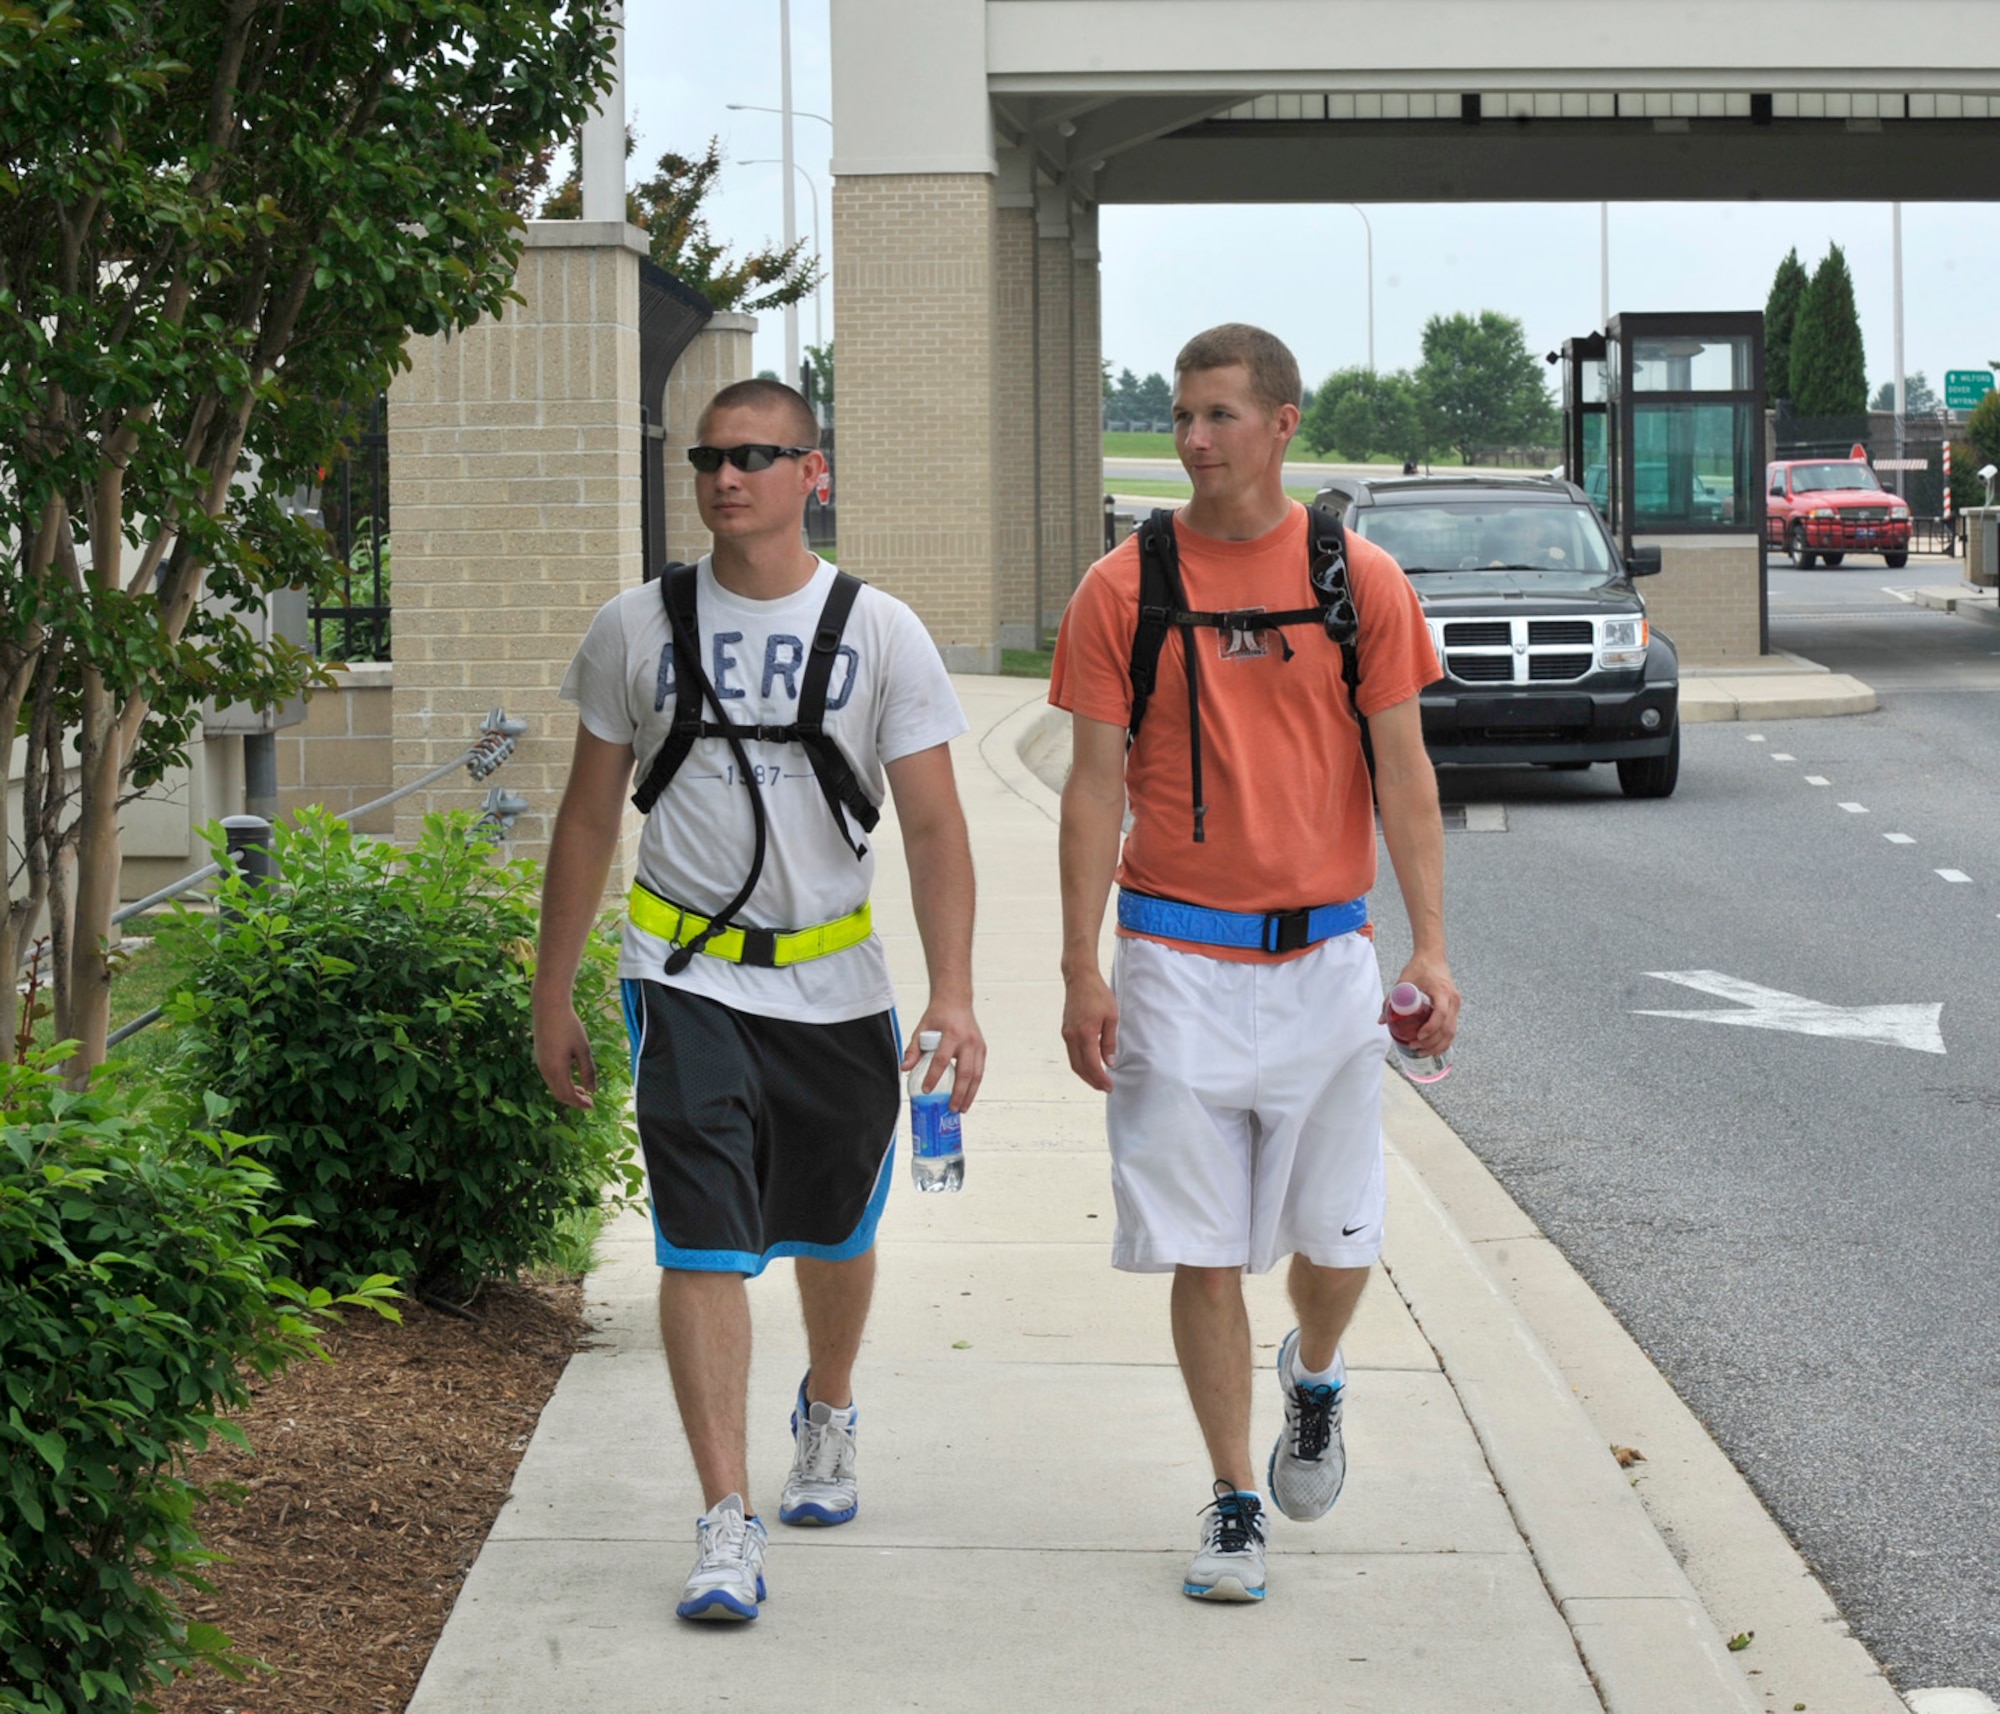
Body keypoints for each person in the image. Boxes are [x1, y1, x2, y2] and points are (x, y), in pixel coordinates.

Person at [533, 377, 986, 1624]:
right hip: (681, 978)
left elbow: (937, 823)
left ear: (811, 472)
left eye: (754, 456)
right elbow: (583, 820)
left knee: (834, 1224)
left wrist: (953, 990)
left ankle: (826, 1407)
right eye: (709, 458)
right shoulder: (634, 627)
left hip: (836, 982)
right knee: (703, 1236)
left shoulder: (880, 630)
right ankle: (723, 1518)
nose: (726, 478)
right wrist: (551, 992)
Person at [1051, 324, 1459, 1604]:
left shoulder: (1358, 579)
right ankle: (1233, 1499)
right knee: (1201, 1243)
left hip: (1326, 964)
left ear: (1281, 423)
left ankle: (1315, 1376)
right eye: (1180, 416)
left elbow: (1403, 771)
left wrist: (1432, 947)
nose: (1192, 440)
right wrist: (1080, 965)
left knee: (1338, 1243)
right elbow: (1089, 786)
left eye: (1218, 416)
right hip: (1173, 958)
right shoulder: (1122, 586)